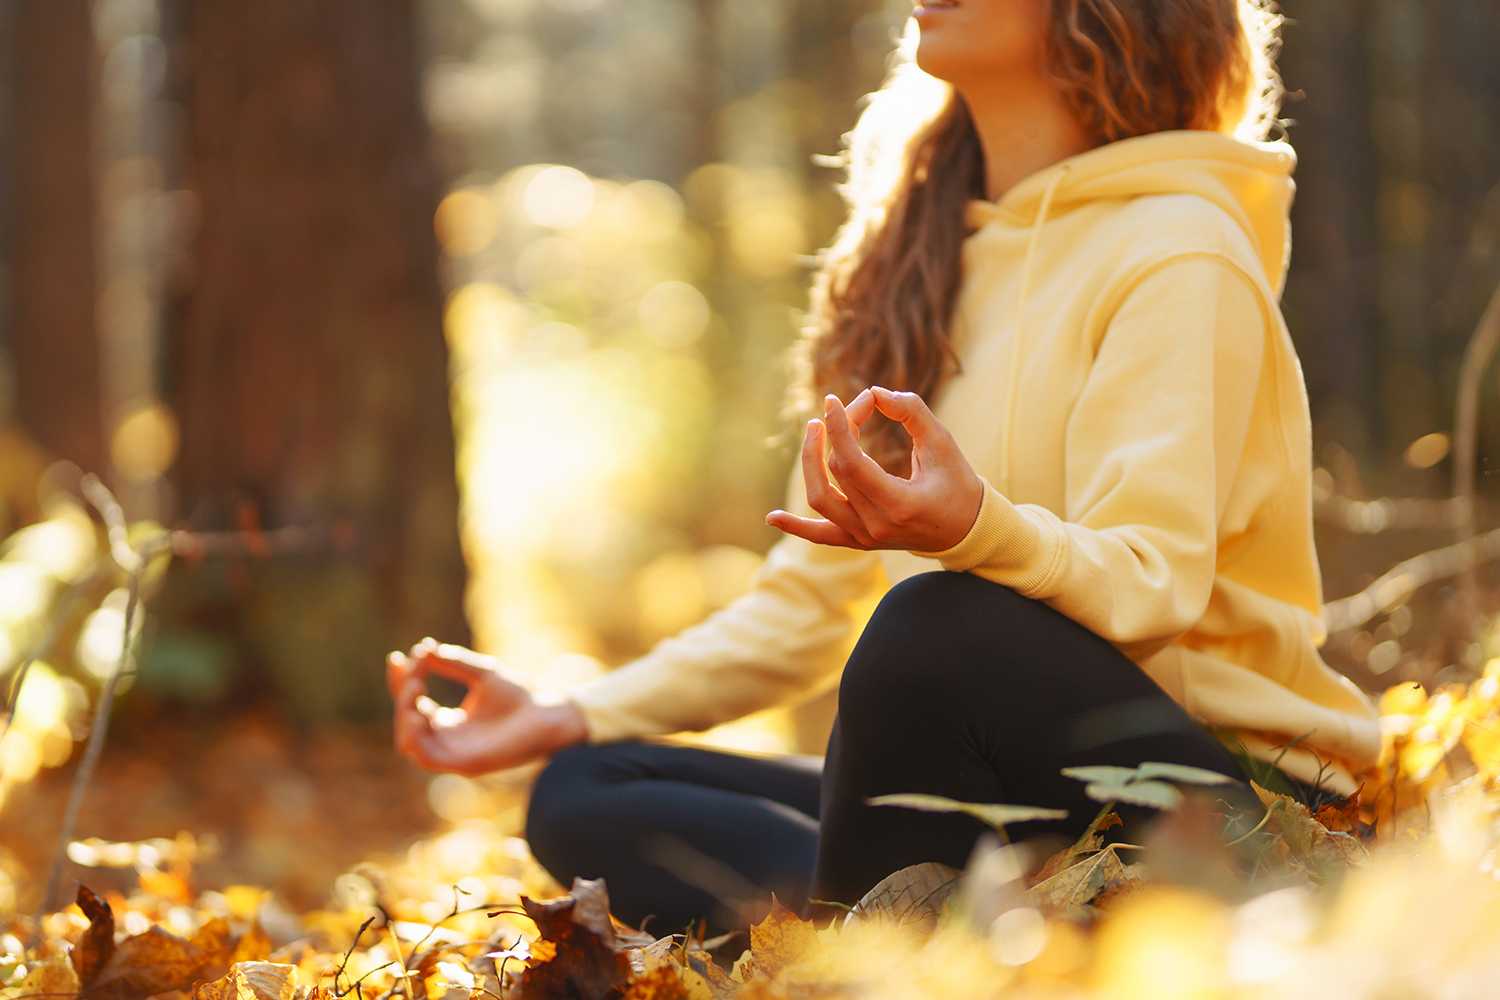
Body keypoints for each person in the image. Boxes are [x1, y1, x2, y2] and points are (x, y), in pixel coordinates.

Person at [386, 0, 1382, 938]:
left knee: (933, 623)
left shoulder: (1180, 248)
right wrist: (564, 709)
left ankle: (885, 946)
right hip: (1017, 800)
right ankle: (935, 929)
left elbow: (1152, 583)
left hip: (1219, 799)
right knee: (583, 788)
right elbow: (799, 612)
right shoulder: (918, 255)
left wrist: (974, 529)